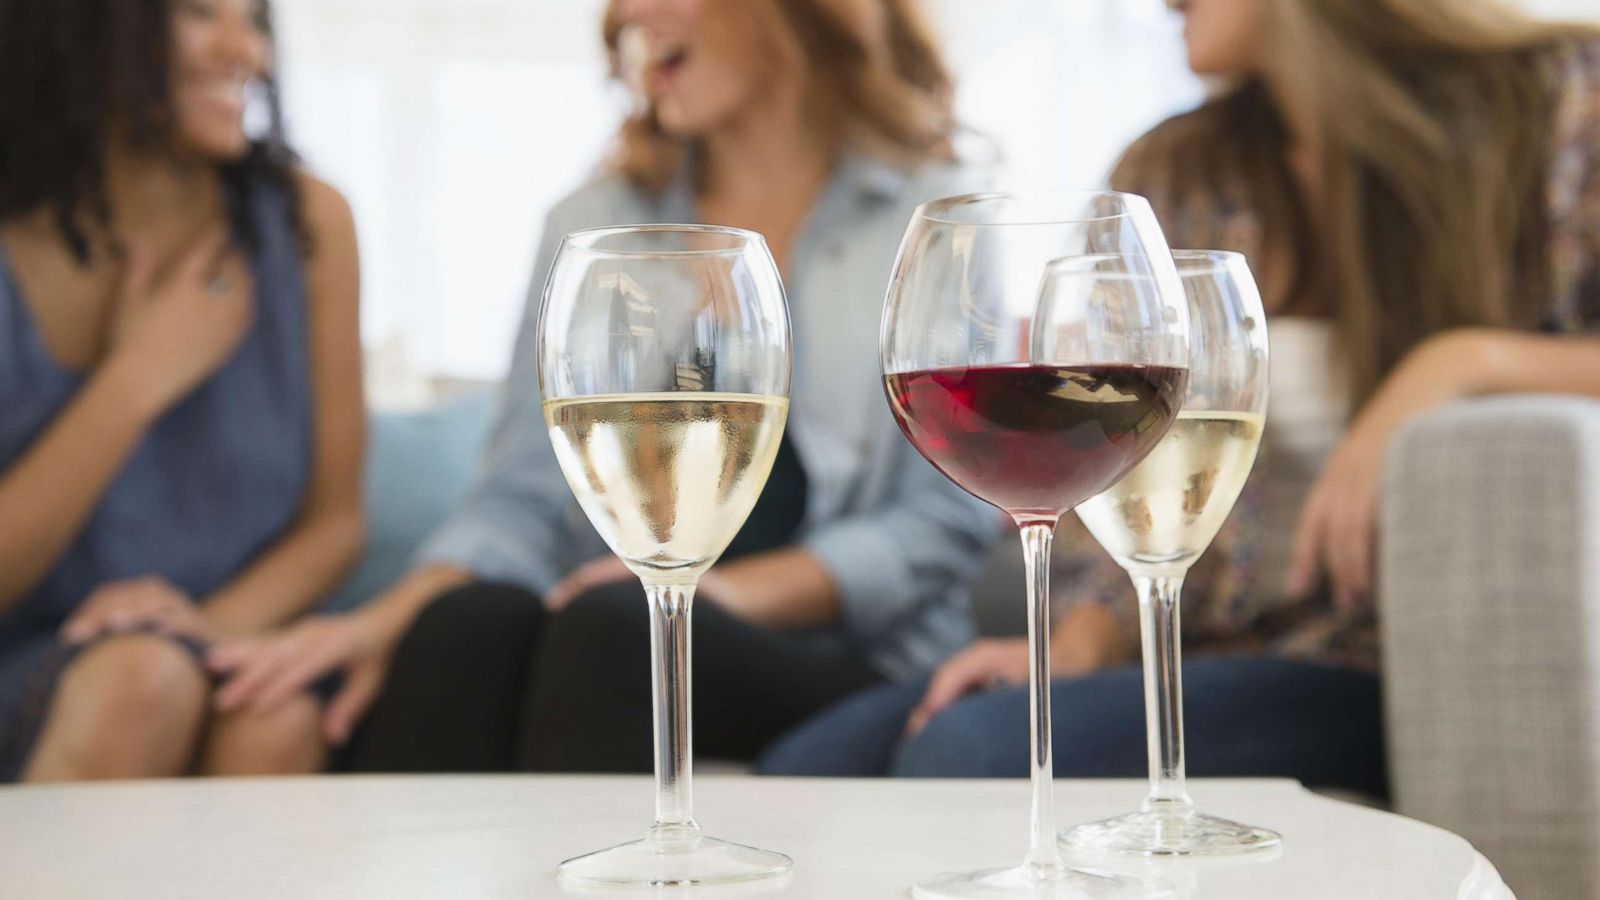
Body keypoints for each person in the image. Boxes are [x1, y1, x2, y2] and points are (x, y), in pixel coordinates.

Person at [758, 0, 1600, 793]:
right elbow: (1104, 446)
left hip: (1382, 666)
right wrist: (1076, 648)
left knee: (970, 756)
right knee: (808, 771)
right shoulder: (1174, 172)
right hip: (1187, 647)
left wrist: (1458, 364)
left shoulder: (1559, 98)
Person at [207, 0, 999, 773]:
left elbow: (943, 521)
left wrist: (714, 594)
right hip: (609, 606)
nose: (628, 15)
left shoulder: (929, 217)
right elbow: (521, 496)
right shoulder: (592, 223)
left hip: (846, 653)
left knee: (614, 629)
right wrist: (387, 619)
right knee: (464, 626)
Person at [0, 0, 365, 781]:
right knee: (142, 683)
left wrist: (200, 629)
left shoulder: (308, 227)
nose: (248, 52)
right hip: (36, 672)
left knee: (270, 713)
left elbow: (334, 525)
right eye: (202, 13)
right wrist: (137, 377)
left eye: (255, 19)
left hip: (228, 631)